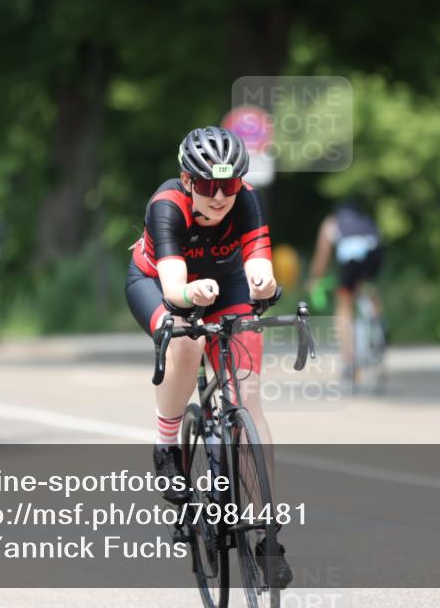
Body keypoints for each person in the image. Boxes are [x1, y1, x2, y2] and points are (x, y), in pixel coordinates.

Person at [126, 126, 291, 586]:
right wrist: (187, 294)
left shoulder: (248, 201)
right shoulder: (167, 206)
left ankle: (268, 535)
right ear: (186, 180)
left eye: (230, 185)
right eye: (207, 186)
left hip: (226, 283)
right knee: (187, 338)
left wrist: (267, 285)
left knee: (250, 399)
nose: (220, 196)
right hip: (161, 282)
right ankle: (166, 443)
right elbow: (175, 285)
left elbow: (260, 267)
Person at [308, 199, 384, 373]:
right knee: (368, 288)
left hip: (351, 259)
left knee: (344, 304)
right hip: (375, 255)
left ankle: (348, 358)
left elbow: (322, 256)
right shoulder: (366, 221)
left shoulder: (332, 222)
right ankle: (378, 328)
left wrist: (315, 279)